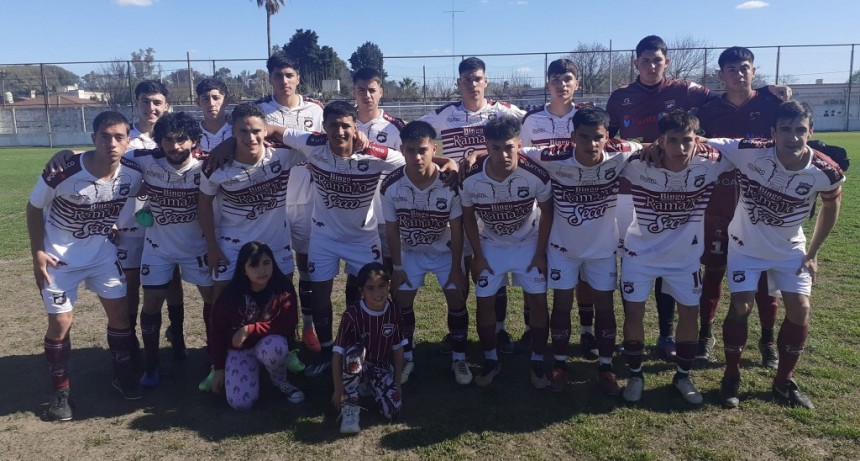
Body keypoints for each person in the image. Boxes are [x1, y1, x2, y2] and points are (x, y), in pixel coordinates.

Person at [607, 36, 791, 362]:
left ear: (667, 62)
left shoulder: (690, 92)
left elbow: (728, 102)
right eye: (645, 61)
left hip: (724, 191)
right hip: (644, 187)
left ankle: (678, 335)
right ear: (636, 63)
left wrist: (768, 89)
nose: (651, 66)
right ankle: (678, 335)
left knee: (750, 269)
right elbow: (610, 138)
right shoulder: (620, 97)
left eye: (657, 60)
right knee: (648, 259)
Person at [267, 101, 456, 378]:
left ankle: (364, 347)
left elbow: (414, 158)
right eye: (333, 125)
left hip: (362, 238)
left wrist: (447, 162)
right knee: (320, 294)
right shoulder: (311, 143)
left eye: (346, 125)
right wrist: (227, 146)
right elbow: (270, 128)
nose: (340, 131)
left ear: (356, 127)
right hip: (324, 236)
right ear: (324, 127)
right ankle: (325, 351)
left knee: (372, 295)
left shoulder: (374, 153)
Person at [708, 101, 844, 409]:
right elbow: (702, 142)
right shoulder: (750, 150)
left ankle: (784, 381)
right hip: (745, 246)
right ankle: (731, 376)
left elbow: (831, 207)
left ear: (811, 131)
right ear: (773, 132)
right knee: (741, 306)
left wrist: (813, 253)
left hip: (789, 250)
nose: (792, 137)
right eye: (785, 130)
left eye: (800, 130)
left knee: (800, 309)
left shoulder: (825, 170)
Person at [27, 111, 144, 421]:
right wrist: (37, 252)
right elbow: (34, 207)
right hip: (59, 259)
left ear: (128, 141)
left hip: (102, 255)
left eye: (119, 137)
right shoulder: (62, 171)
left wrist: (118, 224)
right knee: (61, 323)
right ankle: (60, 392)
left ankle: (122, 374)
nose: (112, 143)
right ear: (93, 138)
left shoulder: (132, 174)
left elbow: (139, 196)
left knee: (120, 314)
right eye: (105, 136)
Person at [521, 107, 640, 394]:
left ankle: (606, 367)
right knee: (562, 304)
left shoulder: (621, 151)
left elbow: (652, 146)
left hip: (602, 250)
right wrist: (473, 156)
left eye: (597, 137)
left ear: (607, 136)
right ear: (573, 136)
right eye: (583, 137)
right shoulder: (553, 155)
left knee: (605, 306)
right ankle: (560, 365)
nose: (591, 144)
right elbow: (515, 151)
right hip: (563, 248)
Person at [619, 110, 733, 405]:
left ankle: (683, 375)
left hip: (684, 258)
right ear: (660, 140)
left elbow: (749, 149)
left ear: (697, 140)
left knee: (689, 314)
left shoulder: (710, 163)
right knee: (634, 313)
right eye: (673, 141)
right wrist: (640, 147)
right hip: (639, 255)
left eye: (687, 141)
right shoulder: (636, 163)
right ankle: (635, 374)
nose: (680, 149)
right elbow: (605, 148)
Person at [420, 56, 526, 355]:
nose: (472, 84)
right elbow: (413, 136)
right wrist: (445, 160)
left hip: (496, 199)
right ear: (459, 83)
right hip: (458, 200)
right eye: (467, 79)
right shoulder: (444, 114)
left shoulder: (505, 112)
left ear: (486, 81)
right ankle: (461, 328)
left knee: (495, 264)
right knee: (464, 266)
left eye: (477, 78)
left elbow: (533, 131)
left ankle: (501, 329)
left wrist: (479, 153)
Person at [198, 102, 305, 390]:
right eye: (242, 132)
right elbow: (204, 203)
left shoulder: (282, 155)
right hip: (231, 245)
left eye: (257, 131)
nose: (251, 138)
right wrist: (211, 245)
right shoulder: (216, 165)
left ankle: (288, 349)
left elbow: (314, 140)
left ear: (265, 130)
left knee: (284, 297)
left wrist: (274, 130)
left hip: (276, 243)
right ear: (232, 133)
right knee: (220, 300)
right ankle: (217, 361)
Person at [694, 46, 783, 367]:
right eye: (731, 69)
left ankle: (767, 341)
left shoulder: (772, 103)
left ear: (754, 72)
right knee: (713, 271)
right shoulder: (708, 111)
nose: (738, 73)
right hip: (718, 200)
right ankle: (705, 335)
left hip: (761, 203)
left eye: (744, 67)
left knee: (761, 275)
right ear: (721, 75)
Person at [460, 116, 553, 388]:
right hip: (491, 244)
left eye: (509, 147)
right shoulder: (472, 179)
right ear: (486, 146)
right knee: (484, 300)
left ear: (519, 145)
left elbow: (547, 212)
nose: (504, 154)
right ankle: (490, 358)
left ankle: (537, 360)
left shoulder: (535, 173)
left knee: (537, 301)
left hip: (528, 243)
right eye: (496, 147)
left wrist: (539, 253)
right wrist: (478, 255)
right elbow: (468, 217)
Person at [380, 120, 471, 386]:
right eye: (410, 151)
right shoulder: (391, 185)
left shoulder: (450, 184)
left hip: (444, 253)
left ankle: (459, 357)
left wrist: (456, 268)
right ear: (402, 149)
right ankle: (407, 355)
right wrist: (397, 268)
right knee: (402, 300)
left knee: (456, 297)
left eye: (422, 150)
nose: (417, 157)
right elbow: (392, 231)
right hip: (411, 252)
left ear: (434, 149)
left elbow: (457, 231)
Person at [520, 58, 599, 360]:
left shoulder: (587, 116)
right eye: (556, 79)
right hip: (542, 203)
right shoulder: (531, 120)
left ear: (576, 84)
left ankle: (587, 331)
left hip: (581, 201)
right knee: (535, 263)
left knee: (582, 270)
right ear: (547, 85)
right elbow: (525, 159)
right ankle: (531, 326)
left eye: (568, 78)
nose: (562, 84)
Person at [133, 112, 215, 387]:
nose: (175, 146)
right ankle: (153, 363)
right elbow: (107, 155)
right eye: (167, 139)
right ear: (159, 142)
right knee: (153, 301)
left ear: (193, 140)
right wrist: (66, 152)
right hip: (158, 248)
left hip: (198, 248)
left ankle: (215, 356)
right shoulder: (145, 160)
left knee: (211, 301)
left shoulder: (207, 165)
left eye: (181, 139)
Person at [257, 50, 325, 353]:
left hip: (310, 200)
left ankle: (308, 328)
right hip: (273, 203)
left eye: (289, 75)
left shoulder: (317, 109)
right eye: (277, 75)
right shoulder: (259, 111)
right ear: (269, 78)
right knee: (276, 270)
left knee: (306, 266)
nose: (284, 80)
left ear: (298, 77)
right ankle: (278, 329)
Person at [208, 241, 305, 410]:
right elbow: (217, 333)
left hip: (268, 345)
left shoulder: (283, 289)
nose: (262, 270)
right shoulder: (230, 296)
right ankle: (249, 373)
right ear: (243, 270)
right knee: (240, 403)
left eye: (266, 263)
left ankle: (279, 380)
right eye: (254, 265)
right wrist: (219, 369)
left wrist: (249, 329)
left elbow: (287, 325)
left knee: (275, 347)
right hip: (240, 350)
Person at [332, 262, 406, 434]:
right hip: (354, 363)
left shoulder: (394, 312)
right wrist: (338, 390)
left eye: (382, 286)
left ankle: (367, 385)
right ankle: (350, 406)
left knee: (393, 408)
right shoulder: (352, 314)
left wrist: (397, 382)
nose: (377, 293)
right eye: (370, 288)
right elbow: (337, 354)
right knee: (353, 354)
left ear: (389, 285)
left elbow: (398, 348)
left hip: (379, 366)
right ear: (361, 291)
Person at [353, 66, 406, 273]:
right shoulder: (344, 125)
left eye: (372, 90)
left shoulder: (395, 126)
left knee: (389, 269)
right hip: (355, 212)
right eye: (361, 90)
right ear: (354, 93)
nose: (367, 95)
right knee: (357, 272)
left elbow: (409, 159)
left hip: (385, 211)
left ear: (381, 92)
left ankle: (390, 306)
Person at [196, 77, 232, 151]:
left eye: (216, 98)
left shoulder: (236, 130)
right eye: (206, 99)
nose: (211, 104)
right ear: (198, 102)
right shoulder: (192, 133)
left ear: (226, 101)